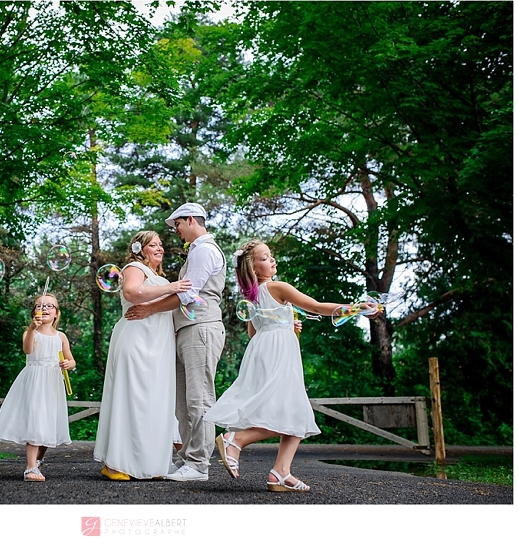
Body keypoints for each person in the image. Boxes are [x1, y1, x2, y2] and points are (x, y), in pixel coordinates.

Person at [204, 239, 381, 491]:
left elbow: (254, 331)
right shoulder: (278, 287)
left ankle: (281, 472)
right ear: (253, 268)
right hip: (279, 352)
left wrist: (286, 325)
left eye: (271, 255)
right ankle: (236, 440)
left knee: (293, 409)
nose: (272, 259)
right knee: (287, 408)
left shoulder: (253, 296)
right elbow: (318, 307)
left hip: (263, 350)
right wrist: (356, 308)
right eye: (265, 257)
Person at [124, 203, 226, 482]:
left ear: (191, 219)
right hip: (186, 330)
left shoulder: (205, 250)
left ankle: (199, 464)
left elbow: (188, 293)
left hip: (201, 327)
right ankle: (185, 458)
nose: (177, 231)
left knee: (200, 398)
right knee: (183, 403)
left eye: (178, 225)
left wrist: (148, 310)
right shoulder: (195, 252)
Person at [94, 231, 192, 480]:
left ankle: (148, 464)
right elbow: (131, 293)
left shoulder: (159, 276)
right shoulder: (134, 267)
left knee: (154, 402)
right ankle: (115, 463)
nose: (160, 248)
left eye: (161, 245)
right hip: (136, 339)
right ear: (140, 249)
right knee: (131, 399)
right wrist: (172, 287)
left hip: (158, 344)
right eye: (153, 245)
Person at [0, 293, 76, 482]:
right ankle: (29, 468)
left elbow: (71, 359)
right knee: (36, 421)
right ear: (33, 312)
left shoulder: (61, 336)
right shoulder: (31, 333)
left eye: (49, 306)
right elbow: (28, 350)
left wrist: (69, 364)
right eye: (39, 306)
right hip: (35, 380)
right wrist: (31, 328)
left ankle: (38, 460)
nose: (44, 308)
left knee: (48, 424)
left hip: (52, 383)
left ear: (57, 314)